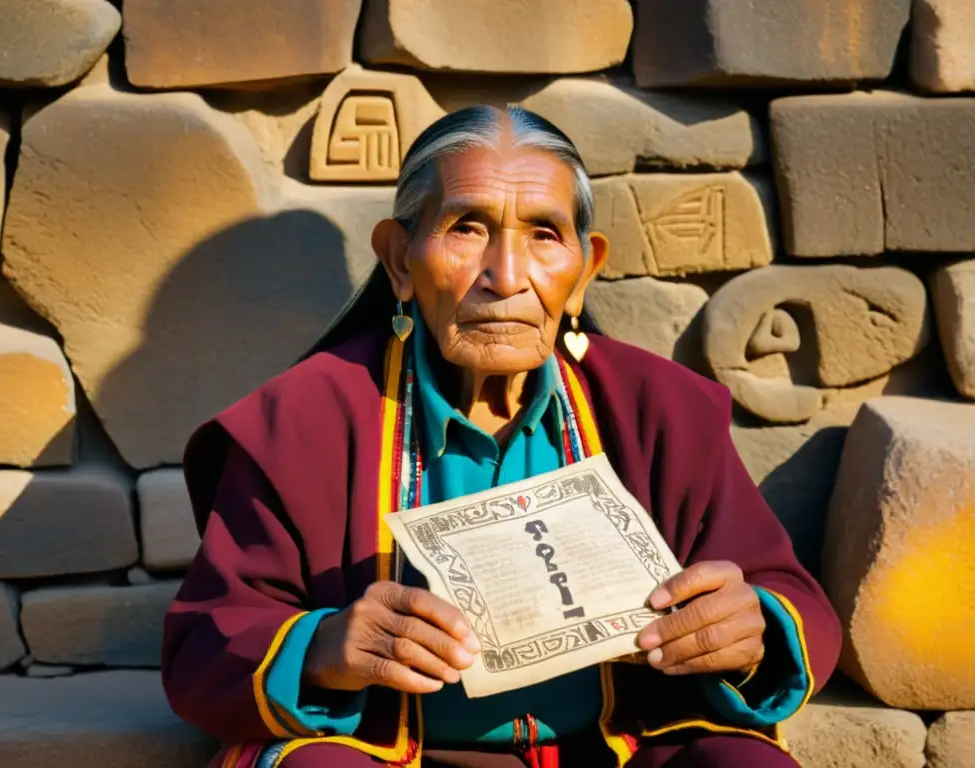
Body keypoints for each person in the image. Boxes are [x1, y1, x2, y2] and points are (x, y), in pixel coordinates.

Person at [162, 106, 842, 768]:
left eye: (545, 235)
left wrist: (749, 628)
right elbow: (208, 638)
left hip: (619, 750)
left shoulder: (661, 411)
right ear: (400, 260)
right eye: (467, 229)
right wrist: (325, 647)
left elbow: (784, 593)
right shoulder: (304, 422)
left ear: (583, 271)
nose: (507, 276)